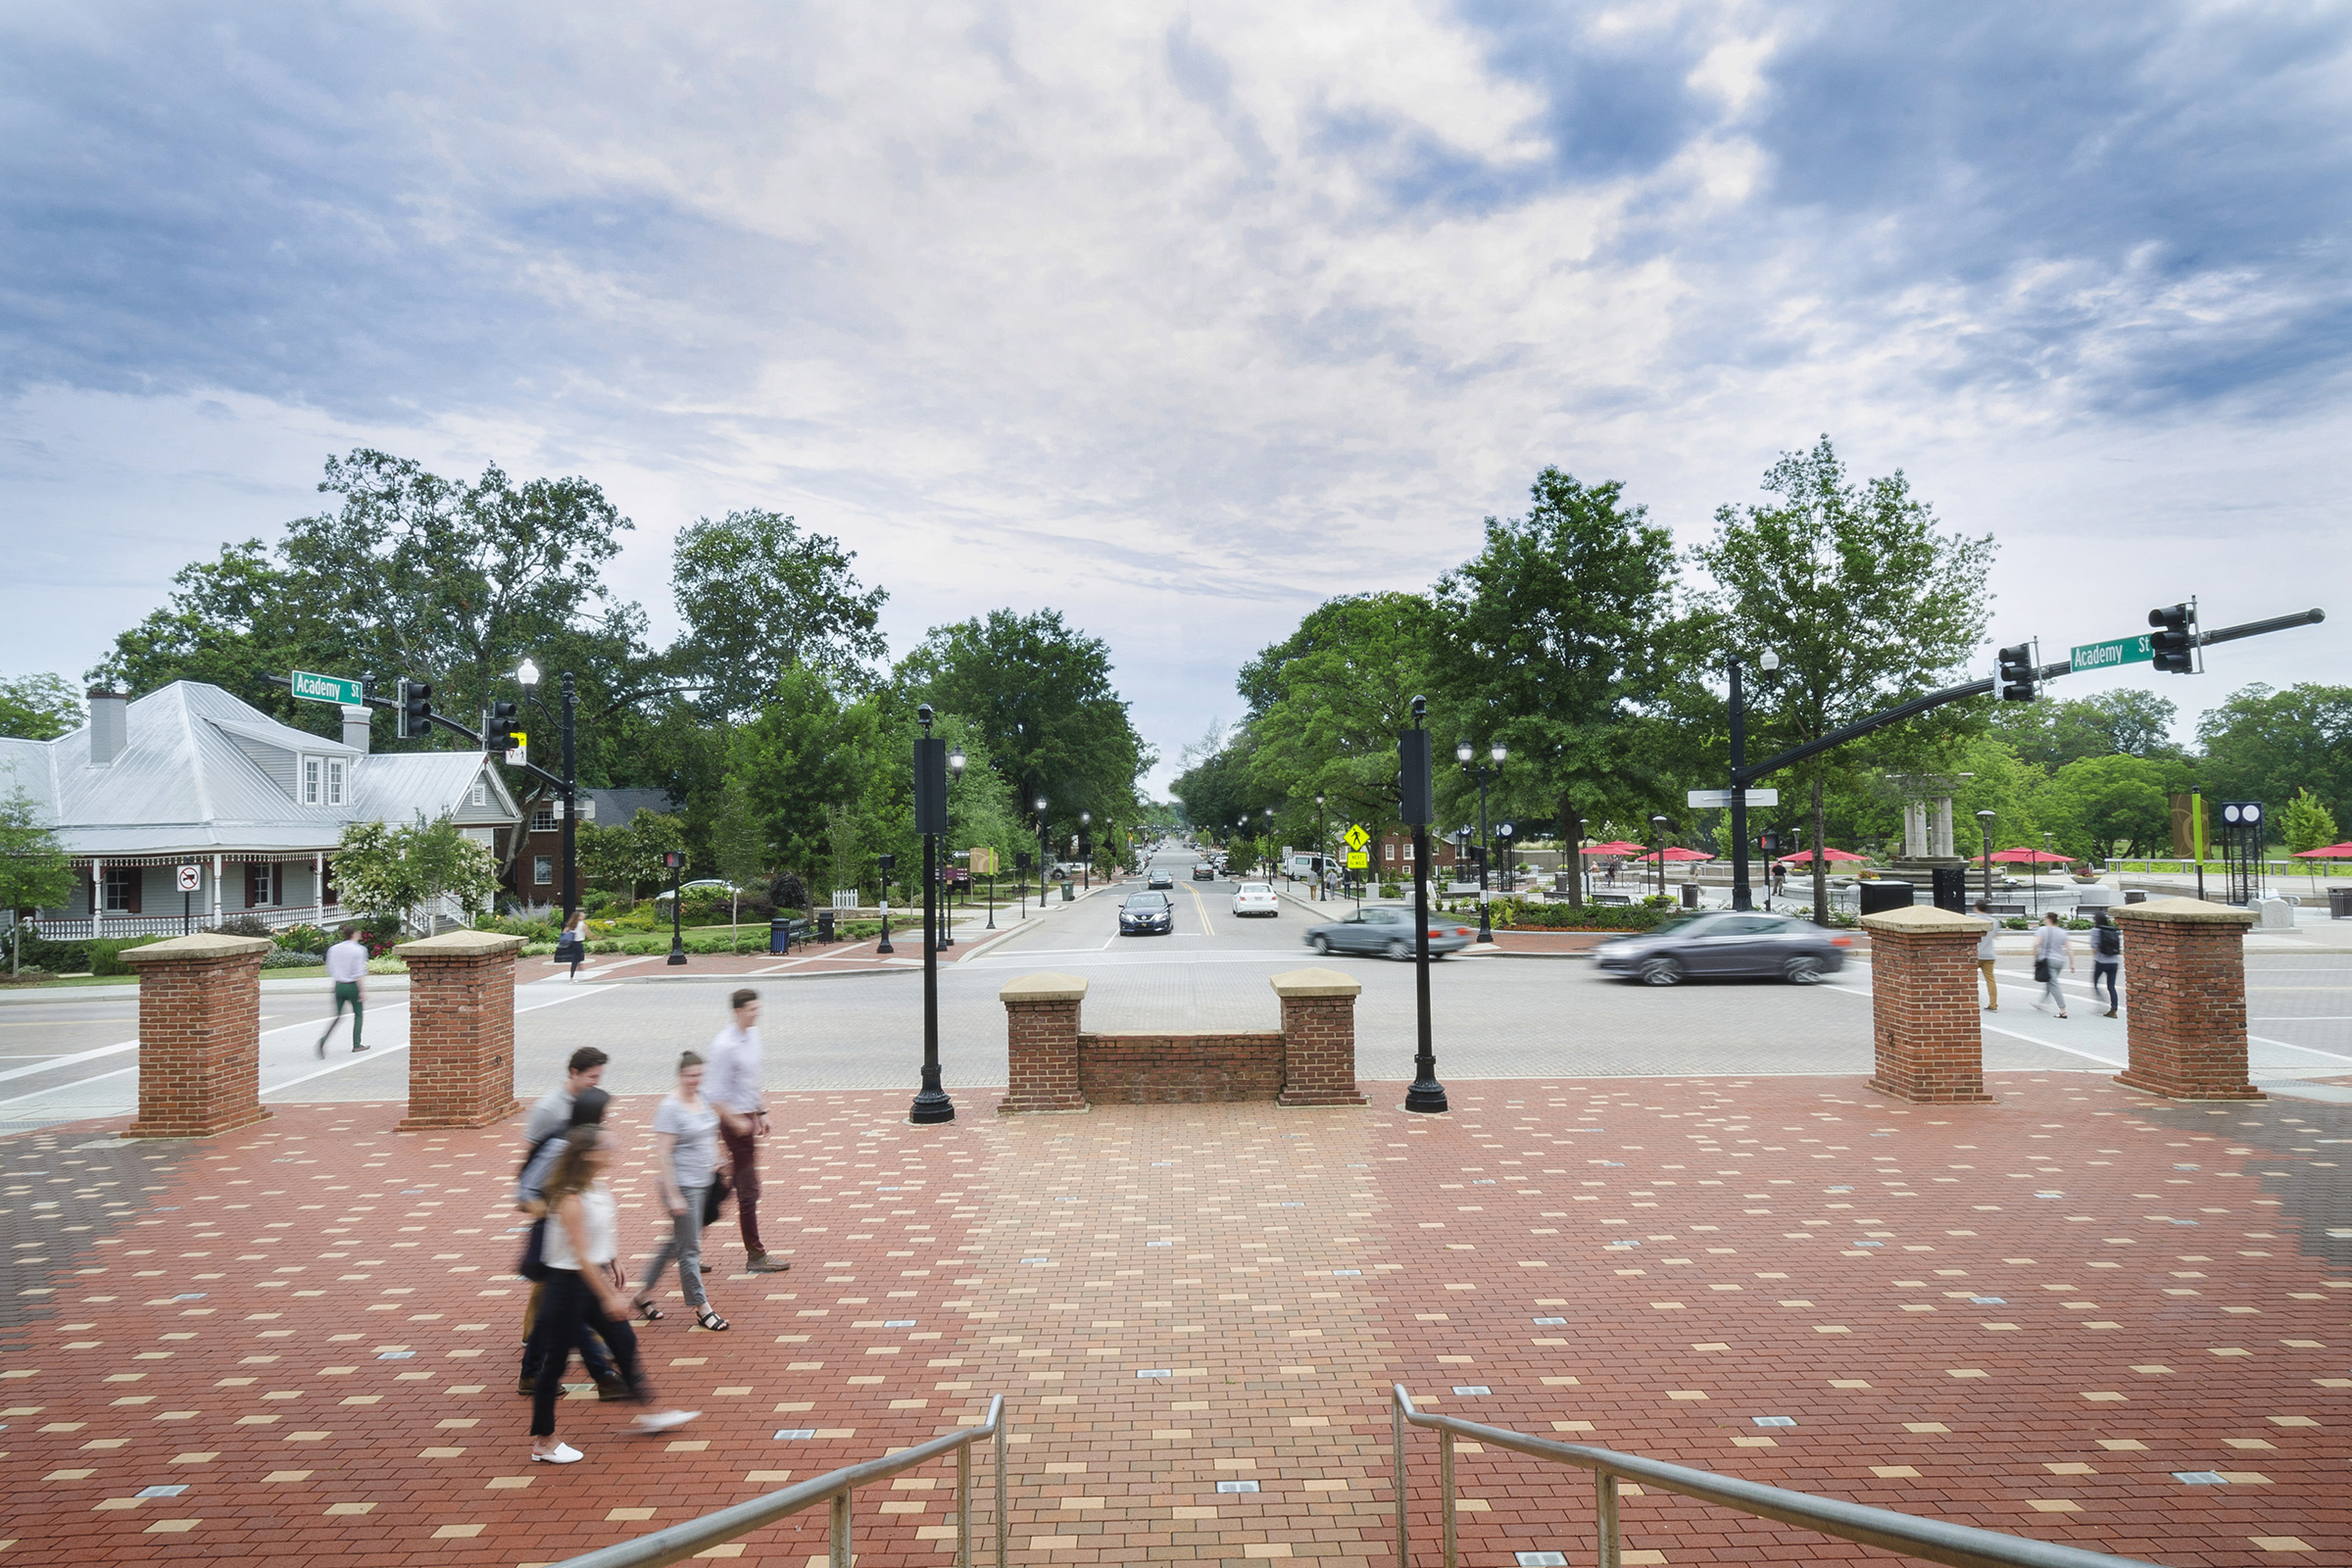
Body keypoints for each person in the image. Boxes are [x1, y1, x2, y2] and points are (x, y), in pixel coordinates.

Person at [524, 1127, 699, 1463]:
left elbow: (598, 1235)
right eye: (606, 1146)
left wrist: (614, 1259)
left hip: (588, 1280)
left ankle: (653, 1412)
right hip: (566, 1287)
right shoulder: (570, 1196)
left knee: (624, 1341)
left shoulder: (596, 1186)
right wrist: (608, 1295)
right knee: (554, 1366)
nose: (613, 1148)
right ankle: (544, 1441)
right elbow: (579, 1255)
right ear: (588, 1154)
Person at [516, 1086, 626, 1399]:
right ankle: (603, 1375)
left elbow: (596, 1204)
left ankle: (532, 1374)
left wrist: (612, 1255)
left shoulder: (589, 1148)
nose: (608, 1122)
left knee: (558, 1311)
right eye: (604, 1116)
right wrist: (559, 1213)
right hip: (560, 1246)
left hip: (579, 1244)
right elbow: (524, 1194)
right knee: (572, 1310)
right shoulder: (561, 1145)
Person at [634, 1051, 729, 1331]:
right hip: (683, 1186)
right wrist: (673, 1194)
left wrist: (716, 1157)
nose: (695, 1080)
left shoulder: (702, 1098)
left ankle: (641, 1296)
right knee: (690, 1250)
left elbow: (709, 1132)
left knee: (674, 1244)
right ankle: (703, 1309)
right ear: (680, 1075)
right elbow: (663, 1155)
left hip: (704, 1182)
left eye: (699, 1075)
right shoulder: (670, 1107)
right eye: (690, 1075)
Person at [705, 989, 789, 1274]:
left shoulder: (752, 1036)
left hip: (747, 1119)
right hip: (733, 1124)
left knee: (730, 1188)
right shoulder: (724, 1045)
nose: (757, 1014)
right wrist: (736, 1121)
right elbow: (714, 1094)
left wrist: (760, 1112)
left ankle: (687, 1240)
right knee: (748, 1190)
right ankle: (755, 1255)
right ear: (737, 1011)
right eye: (752, 1009)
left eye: (757, 1008)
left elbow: (750, 1081)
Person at [526, 1048, 610, 1145]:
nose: (597, 1083)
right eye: (592, 1077)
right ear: (574, 1073)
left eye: (598, 1076)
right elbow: (534, 1152)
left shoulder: (591, 1102)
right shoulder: (547, 1109)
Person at [317, 925, 369, 1056]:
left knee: (338, 1015)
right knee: (358, 1015)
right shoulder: (359, 950)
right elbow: (358, 971)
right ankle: (357, 1044)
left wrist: (335, 984)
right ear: (354, 934)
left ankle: (323, 1040)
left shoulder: (333, 949)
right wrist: (362, 991)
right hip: (352, 985)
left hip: (339, 985)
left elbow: (331, 968)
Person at [2032, 910, 2073, 1018]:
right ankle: (2041, 1003)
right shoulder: (2062, 932)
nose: (2044, 921)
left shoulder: (2042, 930)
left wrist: (2035, 955)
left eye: (2045, 919)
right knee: (2050, 981)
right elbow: (2069, 948)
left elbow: (2036, 943)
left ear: (2049, 920)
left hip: (2048, 961)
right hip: (2060, 961)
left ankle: (2063, 1010)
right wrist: (2072, 964)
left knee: (2053, 984)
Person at [2088, 908, 2123, 1018]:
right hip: (2114, 962)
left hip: (2101, 961)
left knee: (2095, 982)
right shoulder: (2113, 930)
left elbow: (2094, 948)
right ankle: (2114, 1009)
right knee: (2111, 986)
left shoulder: (2095, 931)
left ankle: (2102, 1002)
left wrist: (2095, 956)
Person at [1974, 900, 1999, 1012]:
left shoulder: (1973, 920)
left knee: (1970, 979)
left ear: (1976, 908)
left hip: (1975, 954)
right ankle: (1993, 1004)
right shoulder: (1994, 921)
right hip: (1989, 954)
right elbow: (1995, 935)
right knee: (1990, 980)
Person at [557, 908, 591, 981]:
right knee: (576, 960)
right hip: (578, 944)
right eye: (581, 915)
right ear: (579, 917)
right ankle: (572, 977)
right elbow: (589, 934)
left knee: (577, 959)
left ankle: (579, 974)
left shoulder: (571, 925)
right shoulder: (582, 925)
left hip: (571, 944)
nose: (583, 915)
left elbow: (564, 932)